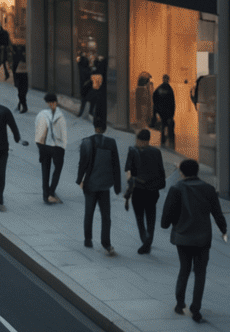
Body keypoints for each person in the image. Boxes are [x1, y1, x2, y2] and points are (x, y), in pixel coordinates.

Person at [161, 157, 227, 321]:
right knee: (200, 272)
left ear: (181, 172)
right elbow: (217, 213)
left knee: (184, 269)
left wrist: (168, 223)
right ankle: (196, 307)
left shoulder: (176, 189)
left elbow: (165, 219)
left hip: (183, 237)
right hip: (203, 238)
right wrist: (223, 229)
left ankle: (180, 303)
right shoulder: (208, 189)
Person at [77, 118, 122, 253]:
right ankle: (106, 243)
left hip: (90, 185)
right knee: (106, 216)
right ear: (105, 129)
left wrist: (80, 180)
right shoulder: (111, 143)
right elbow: (116, 165)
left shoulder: (87, 142)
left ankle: (88, 239)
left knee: (89, 212)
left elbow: (82, 164)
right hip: (104, 186)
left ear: (95, 127)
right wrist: (117, 186)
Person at [124, 128, 167, 255]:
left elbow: (128, 170)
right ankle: (149, 241)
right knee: (151, 216)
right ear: (148, 140)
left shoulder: (133, 150)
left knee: (139, 217)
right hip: (153, 190)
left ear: (138, 139)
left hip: (139, 189)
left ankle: (145, 240)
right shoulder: (156, 152)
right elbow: (161, 171)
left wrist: (128, 190)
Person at [33, 93, 68, 203]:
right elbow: (64, 135)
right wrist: (63, 148)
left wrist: (40, 148)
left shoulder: (41, 114)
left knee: (45, 171)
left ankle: (45, 195)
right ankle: (51, 191)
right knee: (57, 169)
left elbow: (38, 132)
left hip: (44, 147)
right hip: (57, 148)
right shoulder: (61, 116)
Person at [152, 74, 177, 148]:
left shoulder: (159, 88)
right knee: (169, 127)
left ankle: (163, 142)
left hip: (162, 111)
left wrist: (156, 110)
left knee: (163, 126)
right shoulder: (169, 89)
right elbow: (172, 102)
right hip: (167, 112)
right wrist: (172, 114)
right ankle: (170, 143)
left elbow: (155, 98)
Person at [12, 48, 29, 114]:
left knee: (21, 93)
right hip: (22, 77)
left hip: (21, 77)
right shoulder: (22, 59)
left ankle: (23, 106)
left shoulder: (18, 59)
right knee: (21, 93)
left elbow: (14, 70)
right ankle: (21, 105)